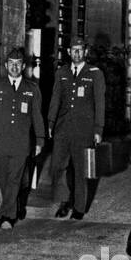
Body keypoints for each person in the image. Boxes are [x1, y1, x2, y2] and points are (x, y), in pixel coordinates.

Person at [0, 47, 44, 229]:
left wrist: (39, 140)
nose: (14, 67)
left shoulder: (32, 89)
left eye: (18, 64)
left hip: (21, 143)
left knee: (14, 178)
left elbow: (37, 117)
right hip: (0, 141)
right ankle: (17, 205)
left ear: (23, 66)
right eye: (11, 64)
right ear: (6, 65)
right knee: (5, 179)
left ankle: (7, 217)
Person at [45, 37, 105, 219]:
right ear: (69, 52)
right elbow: (55, 99)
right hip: (63, 129)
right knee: (57, 166)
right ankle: (65, 201)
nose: (77, 53)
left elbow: (99, 103)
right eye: (74, 50)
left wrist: (98, 129)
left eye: (80, 50)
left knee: (80, 170)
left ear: (85, 52)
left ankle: (78, 208)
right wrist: (50, 123)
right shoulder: (61, 72)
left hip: (84, 130)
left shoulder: (94, 73)